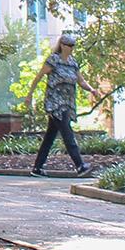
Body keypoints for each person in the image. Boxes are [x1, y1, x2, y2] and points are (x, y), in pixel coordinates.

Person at [23, 33, 104, 177]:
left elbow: (81, 81)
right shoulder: (54, 60)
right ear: (62, 45)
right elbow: (39, 76)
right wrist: (29, 95)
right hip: (55, 104)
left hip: (67, 103)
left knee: (50, 137)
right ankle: (80, 166)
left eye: (73, 46)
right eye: (69, 45)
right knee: (67, 134)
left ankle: (37, 168)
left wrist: (92, 89)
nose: (71, 48)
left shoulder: (73, 63)